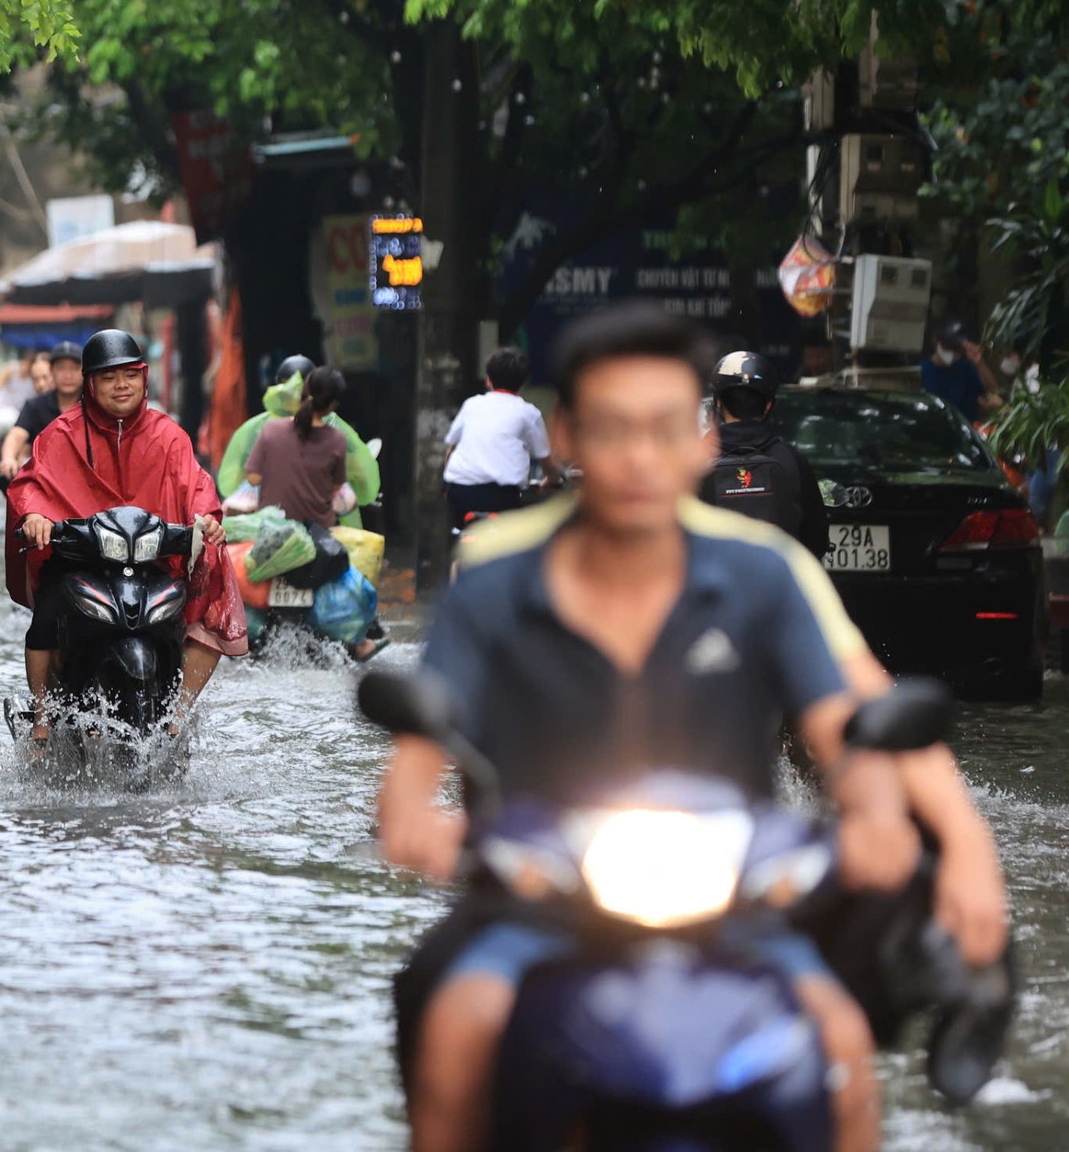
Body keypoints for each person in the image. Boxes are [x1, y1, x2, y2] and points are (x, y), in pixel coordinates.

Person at [373, 303, 1007, 1152]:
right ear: (563, 437)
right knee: (455, 1026)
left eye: (665, 428)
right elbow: (418, 757)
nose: (639, 457)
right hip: (538, 906)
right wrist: (417, 820)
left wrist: (949, 839)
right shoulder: (494, 574)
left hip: (736, 907)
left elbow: (854, 713)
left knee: (843, 1049)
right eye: (612, 429)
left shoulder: (763, 573)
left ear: (702, 440)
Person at [6, 330, 248, 740]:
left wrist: (207, 519)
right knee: (46, 612)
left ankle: (179, 712)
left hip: (154, 558)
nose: (122, 385)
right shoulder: (60, 433)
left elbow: (197, 486)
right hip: (80, 557)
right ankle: (43, 721)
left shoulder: (169, 434)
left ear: (144, 378)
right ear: (90, 384)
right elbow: (31, 484)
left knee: (212, 581)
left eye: (130, 376)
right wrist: (35, 515)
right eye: (109, 377)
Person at [242, 365, 386, 660]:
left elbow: (253, 479)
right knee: (361, 607)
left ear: (303, 393)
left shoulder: (270, 430)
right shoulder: (337, 440)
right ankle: (362, 642)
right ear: (333, 404)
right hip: (319, 542)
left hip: (271, 538)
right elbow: (337, 487)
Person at [216, 354, 381, 527]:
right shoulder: (336, 432)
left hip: (272, 527)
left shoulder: (262, 429)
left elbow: (233, 482)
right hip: (323, 530)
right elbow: (361, 482)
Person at [701, 350, 829, 559]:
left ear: (718, 403)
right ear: (768, 405)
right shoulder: (792, 461)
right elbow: (816, 539)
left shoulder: (692, 462)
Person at [441, 345, 559, 537]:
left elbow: (451, 449)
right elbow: (545, 459)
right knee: (507, 545)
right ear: (522, 383)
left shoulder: (471, 405)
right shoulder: (528, 413)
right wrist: (553, 480)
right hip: (501, 497)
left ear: (488, 380)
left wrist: (446, 487)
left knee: (462, 542)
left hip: (460, 492)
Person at [0, 341, 81, 484]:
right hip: (45, 479)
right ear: (52, 371)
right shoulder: (34, 406)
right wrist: (8, 459)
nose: (68, 375)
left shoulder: (93, 403)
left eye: (74, 368)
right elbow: (16, 436)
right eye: (61, 369)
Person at [920, 318, 1000, 422]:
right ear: (936, 342)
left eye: (956, 348)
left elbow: (994, 392)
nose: (952, 352)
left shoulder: (966, 369)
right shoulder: (922, 371)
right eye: (948, 346)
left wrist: (979, 363)